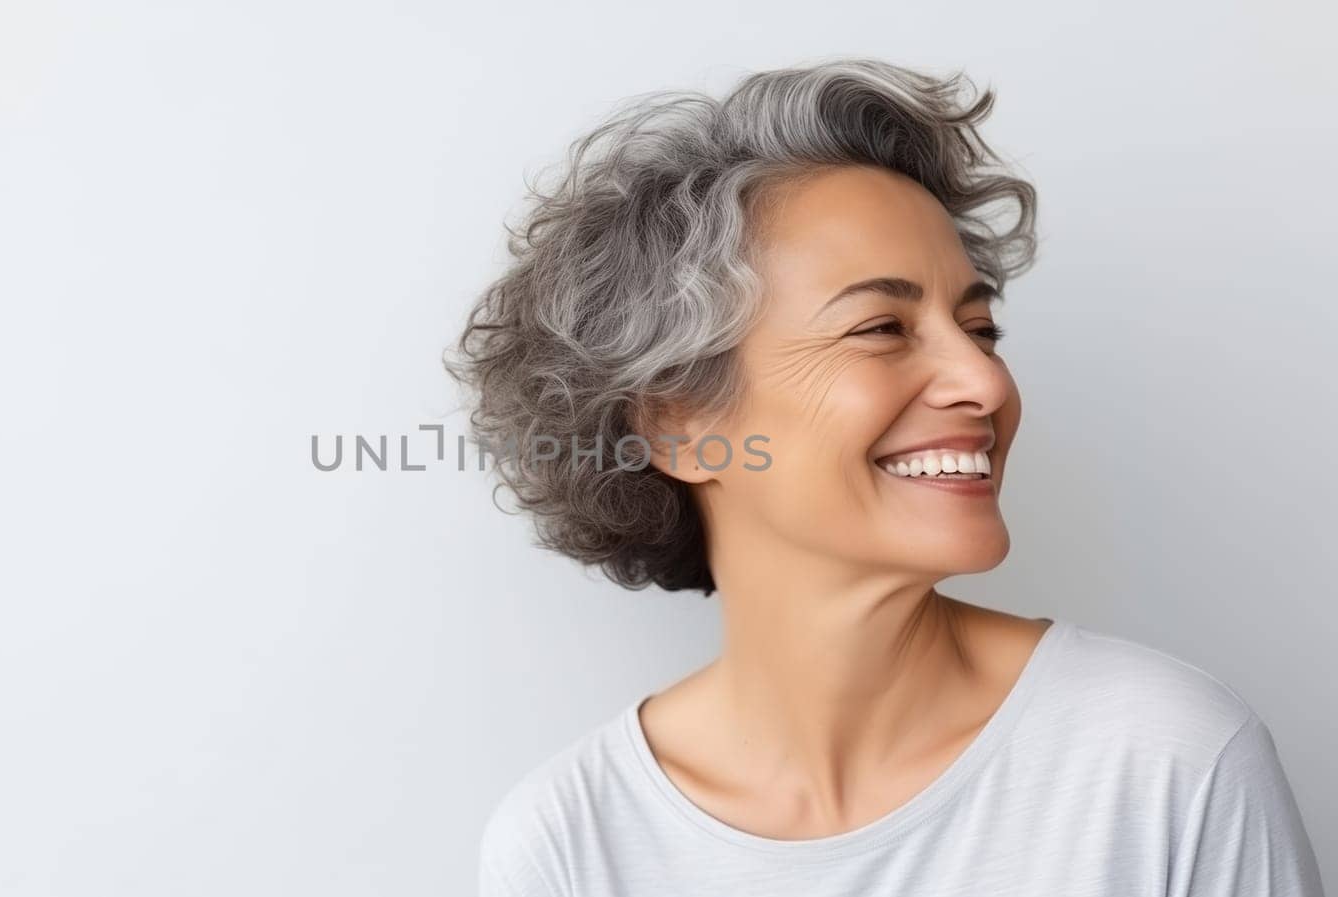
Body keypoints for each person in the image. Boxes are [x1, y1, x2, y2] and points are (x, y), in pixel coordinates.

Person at [444, 57, 1325, 896]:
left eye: (981, 330)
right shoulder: (572, 840)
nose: (986, 384)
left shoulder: (1165, 759)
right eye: (881, 328)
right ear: (680, 425)